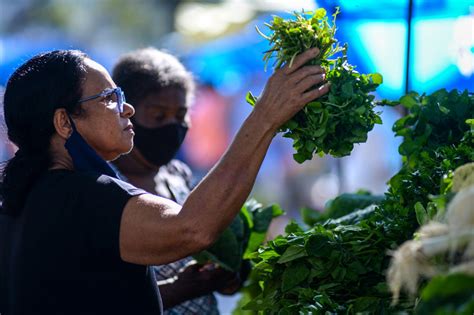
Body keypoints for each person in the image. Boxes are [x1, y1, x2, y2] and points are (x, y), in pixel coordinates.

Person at [0, 48, 328, 315]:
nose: (125, 108)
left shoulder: (25, 197)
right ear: (64, 122)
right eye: (108, 97)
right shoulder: (84, 195)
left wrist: (182, 287)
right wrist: (266, 118)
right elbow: (193, 228)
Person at [111, 48, 238, 314]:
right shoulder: (106, 187)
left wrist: (227, 272)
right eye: (158, 116)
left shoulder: (178, 175)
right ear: (126, 113)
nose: (172, 126)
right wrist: (180, 289)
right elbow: (104, 299)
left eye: (180, 116)